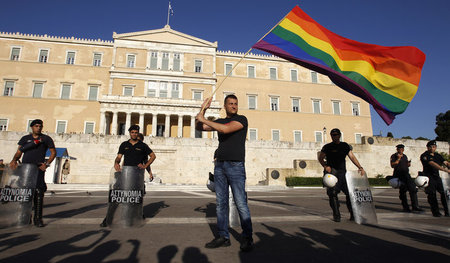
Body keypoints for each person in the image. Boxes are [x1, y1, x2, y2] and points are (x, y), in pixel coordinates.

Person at [196, 94, 253, 252]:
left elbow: (225, 129)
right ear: (225, 106)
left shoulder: (242, 119)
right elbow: (199, 127)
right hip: (220, 165)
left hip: (236, 165)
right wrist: (203, 110)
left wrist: (203, 118)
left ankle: (248, 237)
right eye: (231, 103)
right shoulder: (219, 120)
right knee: (221, 203)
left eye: (236, 103)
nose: (234, 106)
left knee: (240, 203)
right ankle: (223, 236)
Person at [100, 125, 156, 227]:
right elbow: (118, 157)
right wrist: (116, 163)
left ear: (138, 133)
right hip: (124, 174)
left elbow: (152, 156)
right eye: (132, 132)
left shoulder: (143, 146)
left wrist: (146, 167)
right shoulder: (124, 144)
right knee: (116, 197)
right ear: (129, 133)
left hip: (136, 175)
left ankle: (135, 217)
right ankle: (108, 219)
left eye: (136, 132)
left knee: (135, 198)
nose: (134, 134)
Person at [9, 119, 56, 227]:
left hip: (38, 168)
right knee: (25, 193)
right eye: (36, 126)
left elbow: (53, 152)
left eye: (40, 126)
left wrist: (47, 164)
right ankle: (25, 217)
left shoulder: (46, 139)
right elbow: (19, 152)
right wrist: (14, 160)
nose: (38, 128)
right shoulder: (25, 139)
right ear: (32, 127)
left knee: (39, 193)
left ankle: (38, 219)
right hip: (26, 168)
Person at [318, 128, 365, 222]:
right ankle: (336, 215)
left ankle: (353, 214)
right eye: (332, 135)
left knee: (349, 193)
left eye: (336, 134)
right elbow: (320, 158)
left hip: (343, 173)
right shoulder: (327, 147)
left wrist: (360, 167)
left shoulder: (344, 146)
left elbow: (352, 157)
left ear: (339, 135)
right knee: (333, 194)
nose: (334, 136)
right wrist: (325, 166)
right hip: (332, 173)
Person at [420, 140, 450, 217]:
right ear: (427, 147)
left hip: (437, 177)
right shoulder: (425, 156)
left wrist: (448, 165)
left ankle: (447, 211)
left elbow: (445, 162)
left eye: (434, 147)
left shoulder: (438, 155)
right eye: (430, 147)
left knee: (444, 193)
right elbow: (432, 164)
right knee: (432, 194)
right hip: (429, 177)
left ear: (435, 147)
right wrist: (445, 170)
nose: (432, 148)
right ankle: (435, 212)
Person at [390, 144, 423, 212]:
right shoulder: (394, 156)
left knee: (413, 189)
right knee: (403, 191)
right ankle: (405, 207)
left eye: (402, 149)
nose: (401, 150)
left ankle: (415, 206)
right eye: (400, 149)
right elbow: (392, 165)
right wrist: (398, 159)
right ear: (397, 149)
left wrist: (408, 164)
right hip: (399, 174)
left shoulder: (405, 156)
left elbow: (405, 165)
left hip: (406, 175)